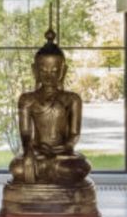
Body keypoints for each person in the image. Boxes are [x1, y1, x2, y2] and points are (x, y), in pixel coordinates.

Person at [8, 24, 91, 186]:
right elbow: (26, 133)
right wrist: (29, 152)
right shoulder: (27, 99)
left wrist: (63, 148)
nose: (48, 75)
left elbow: (74, 134)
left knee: (80, 167)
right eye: (43, 70)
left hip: (63, 155)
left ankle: (48, 171)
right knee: (17, 168)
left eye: (54, 71)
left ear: (63, 71)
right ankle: (47, 170)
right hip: (38, 153)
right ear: (35, 70)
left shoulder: (72, 99)